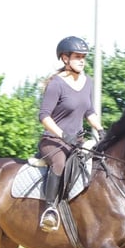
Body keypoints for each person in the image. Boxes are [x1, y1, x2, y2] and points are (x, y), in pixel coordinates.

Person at [37, 36, 105, 232]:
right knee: (60, 163)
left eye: (84, 56)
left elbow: (89, 111)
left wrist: (100, 129)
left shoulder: (87, 82)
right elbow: (44, 116)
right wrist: (62, 135)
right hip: (53, 141)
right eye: (77, 56)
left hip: (77, 141)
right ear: (65, 59)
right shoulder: (56, 84)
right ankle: (49, 209)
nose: (82, 60)